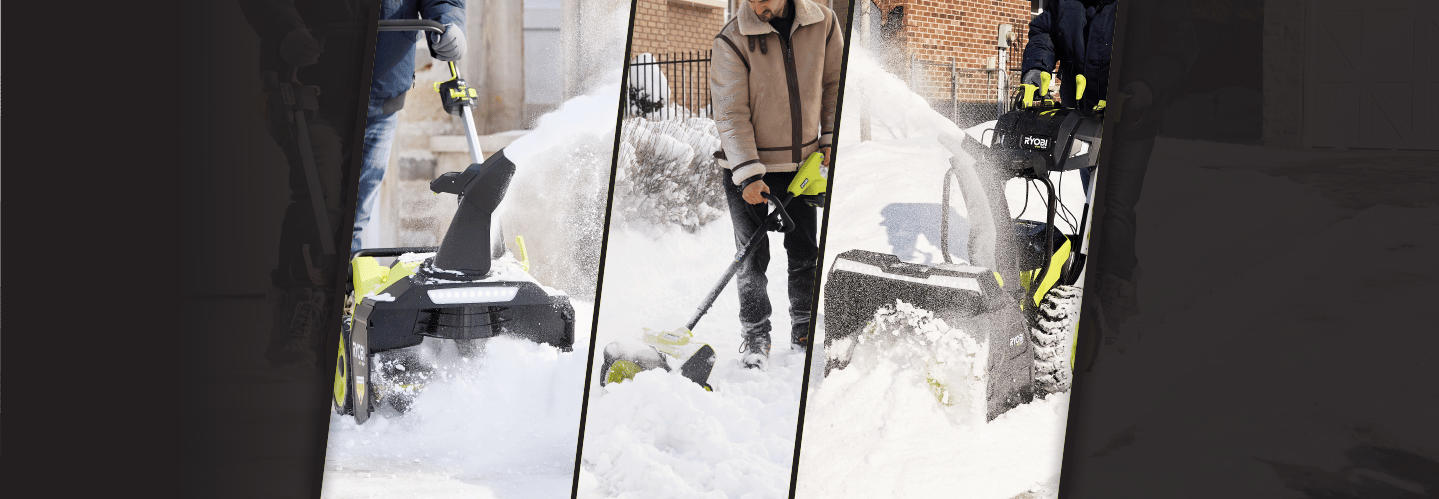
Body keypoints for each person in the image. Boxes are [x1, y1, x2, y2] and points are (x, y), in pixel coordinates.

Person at [1022, 0, 1198, 357]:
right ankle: (1085, 280)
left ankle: (1117, 294)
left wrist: (1146, 85)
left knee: (1112, 205)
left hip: (1133, 118)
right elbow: (1044, 31)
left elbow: (1182, 43)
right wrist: (1037, 70)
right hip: (1083, 117)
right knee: (1091, 205)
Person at [710, 0, 843, 369]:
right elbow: (730, 111)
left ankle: (804, 328)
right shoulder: (731, 39)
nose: (756, 5)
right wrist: (749, 174)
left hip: (802, 165)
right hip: (747, 167)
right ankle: (755, 333)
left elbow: (835, 83)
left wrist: (830, 135)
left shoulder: (824, 23)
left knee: (804, 252)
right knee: (751, 258)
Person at [355, 1, 467, 253]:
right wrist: (288, 33)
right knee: (319, 204)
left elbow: (442, 2)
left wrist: (452, 25)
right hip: (319, 98)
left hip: (382, 100)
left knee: (356, 210)